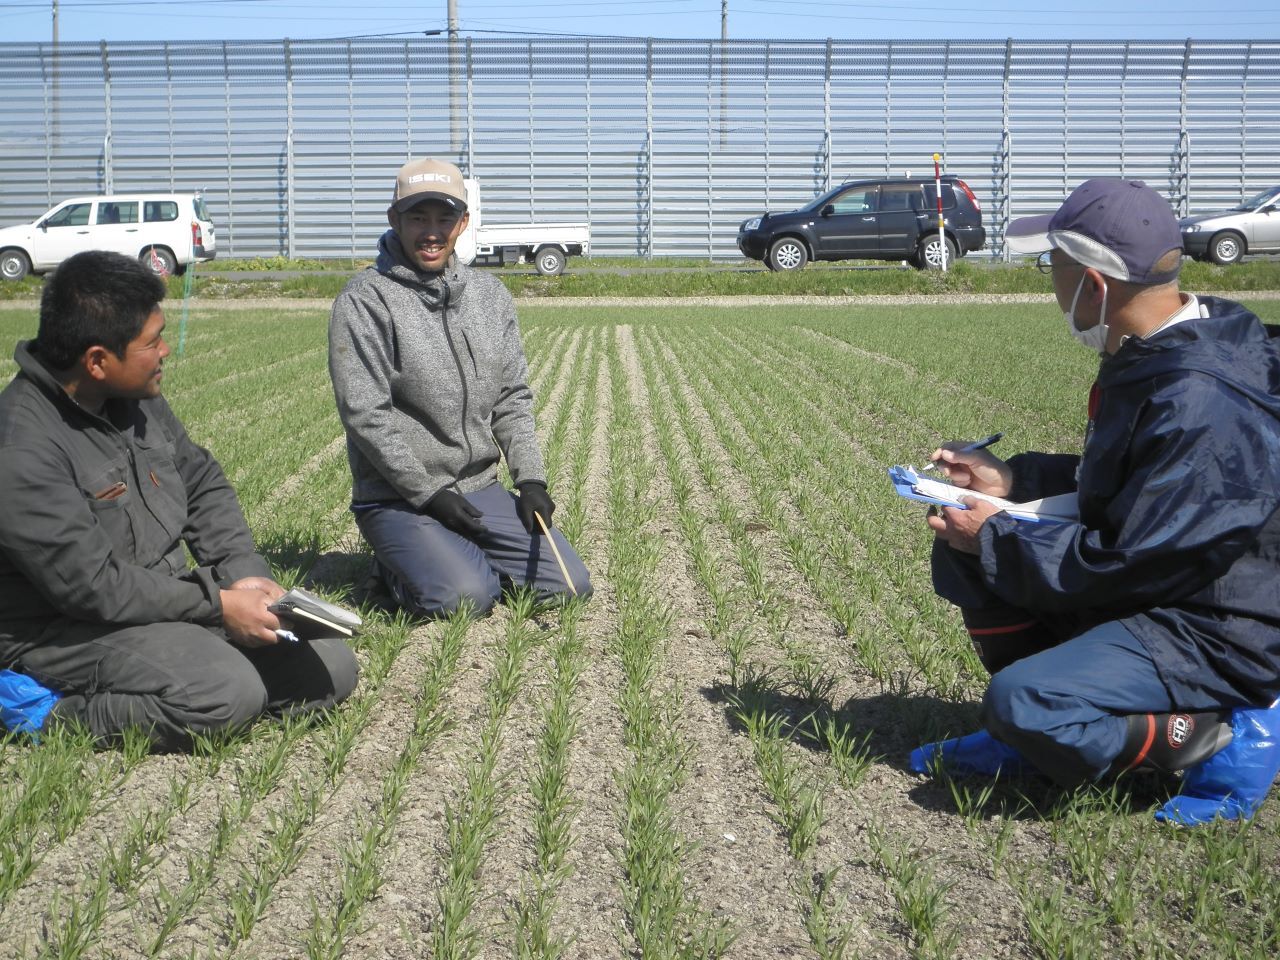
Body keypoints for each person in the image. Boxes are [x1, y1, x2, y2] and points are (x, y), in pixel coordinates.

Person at [912, 178, 1280, 824]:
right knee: (963, 552)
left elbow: (1130, 559)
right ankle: (1037, 741)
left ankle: (1210, 735)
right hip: (1163, 584)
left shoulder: (1199, 400)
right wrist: (1011, 485)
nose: (1049, 284)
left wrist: (997, 533)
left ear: (1096, 287)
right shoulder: (1157, 347)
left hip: (1213, 630)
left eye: (1054, 268)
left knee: (1022, 700)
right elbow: (1128, 492)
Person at [0, 251, 359, 749]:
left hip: (160, 603)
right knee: (224, 693)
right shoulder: (22, 450)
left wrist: (243, 574)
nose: (166, 351)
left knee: (331, 670)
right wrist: (219, 606)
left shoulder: (132, 398)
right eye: (152, 342)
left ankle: (198, 657)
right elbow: (95, 589)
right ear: (97, 361)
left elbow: (201, 480)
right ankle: (47, 713)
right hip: (63, 629)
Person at [329, 158, 590, 618]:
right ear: (395, 219)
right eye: (417, 217)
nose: (431, 232)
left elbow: (511, 395)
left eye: (444, 217)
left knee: (569, 587)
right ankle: (393, 566)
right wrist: (428, 493)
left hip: (478, 488)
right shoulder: (364, 300)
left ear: (463, 222)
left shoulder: (489, 296)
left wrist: (530, 479)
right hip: (398, 496)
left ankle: (452, 554)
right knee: (465, 599)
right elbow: (366, 414)